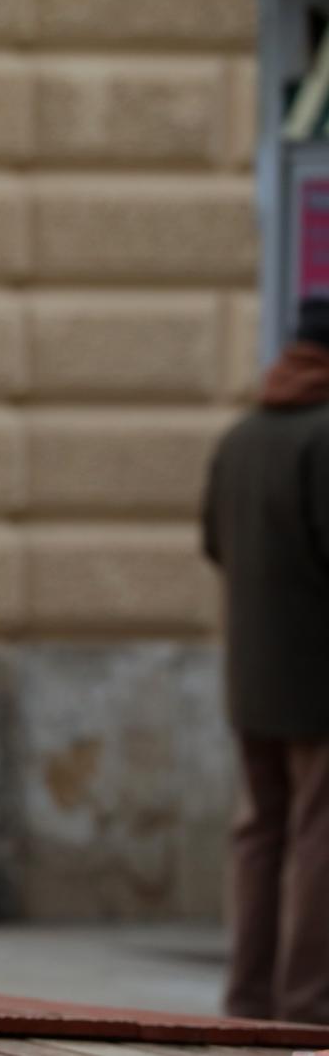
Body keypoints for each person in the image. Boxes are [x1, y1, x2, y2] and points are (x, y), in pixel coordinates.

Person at [204, 298, 329, 1025]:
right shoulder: (324, 436)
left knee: (259, 832)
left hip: (252, 670)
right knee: (317, 833)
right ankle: (310, 1001)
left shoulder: (242, 435)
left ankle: (248, 999)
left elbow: (214, 542)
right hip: (318, 673)